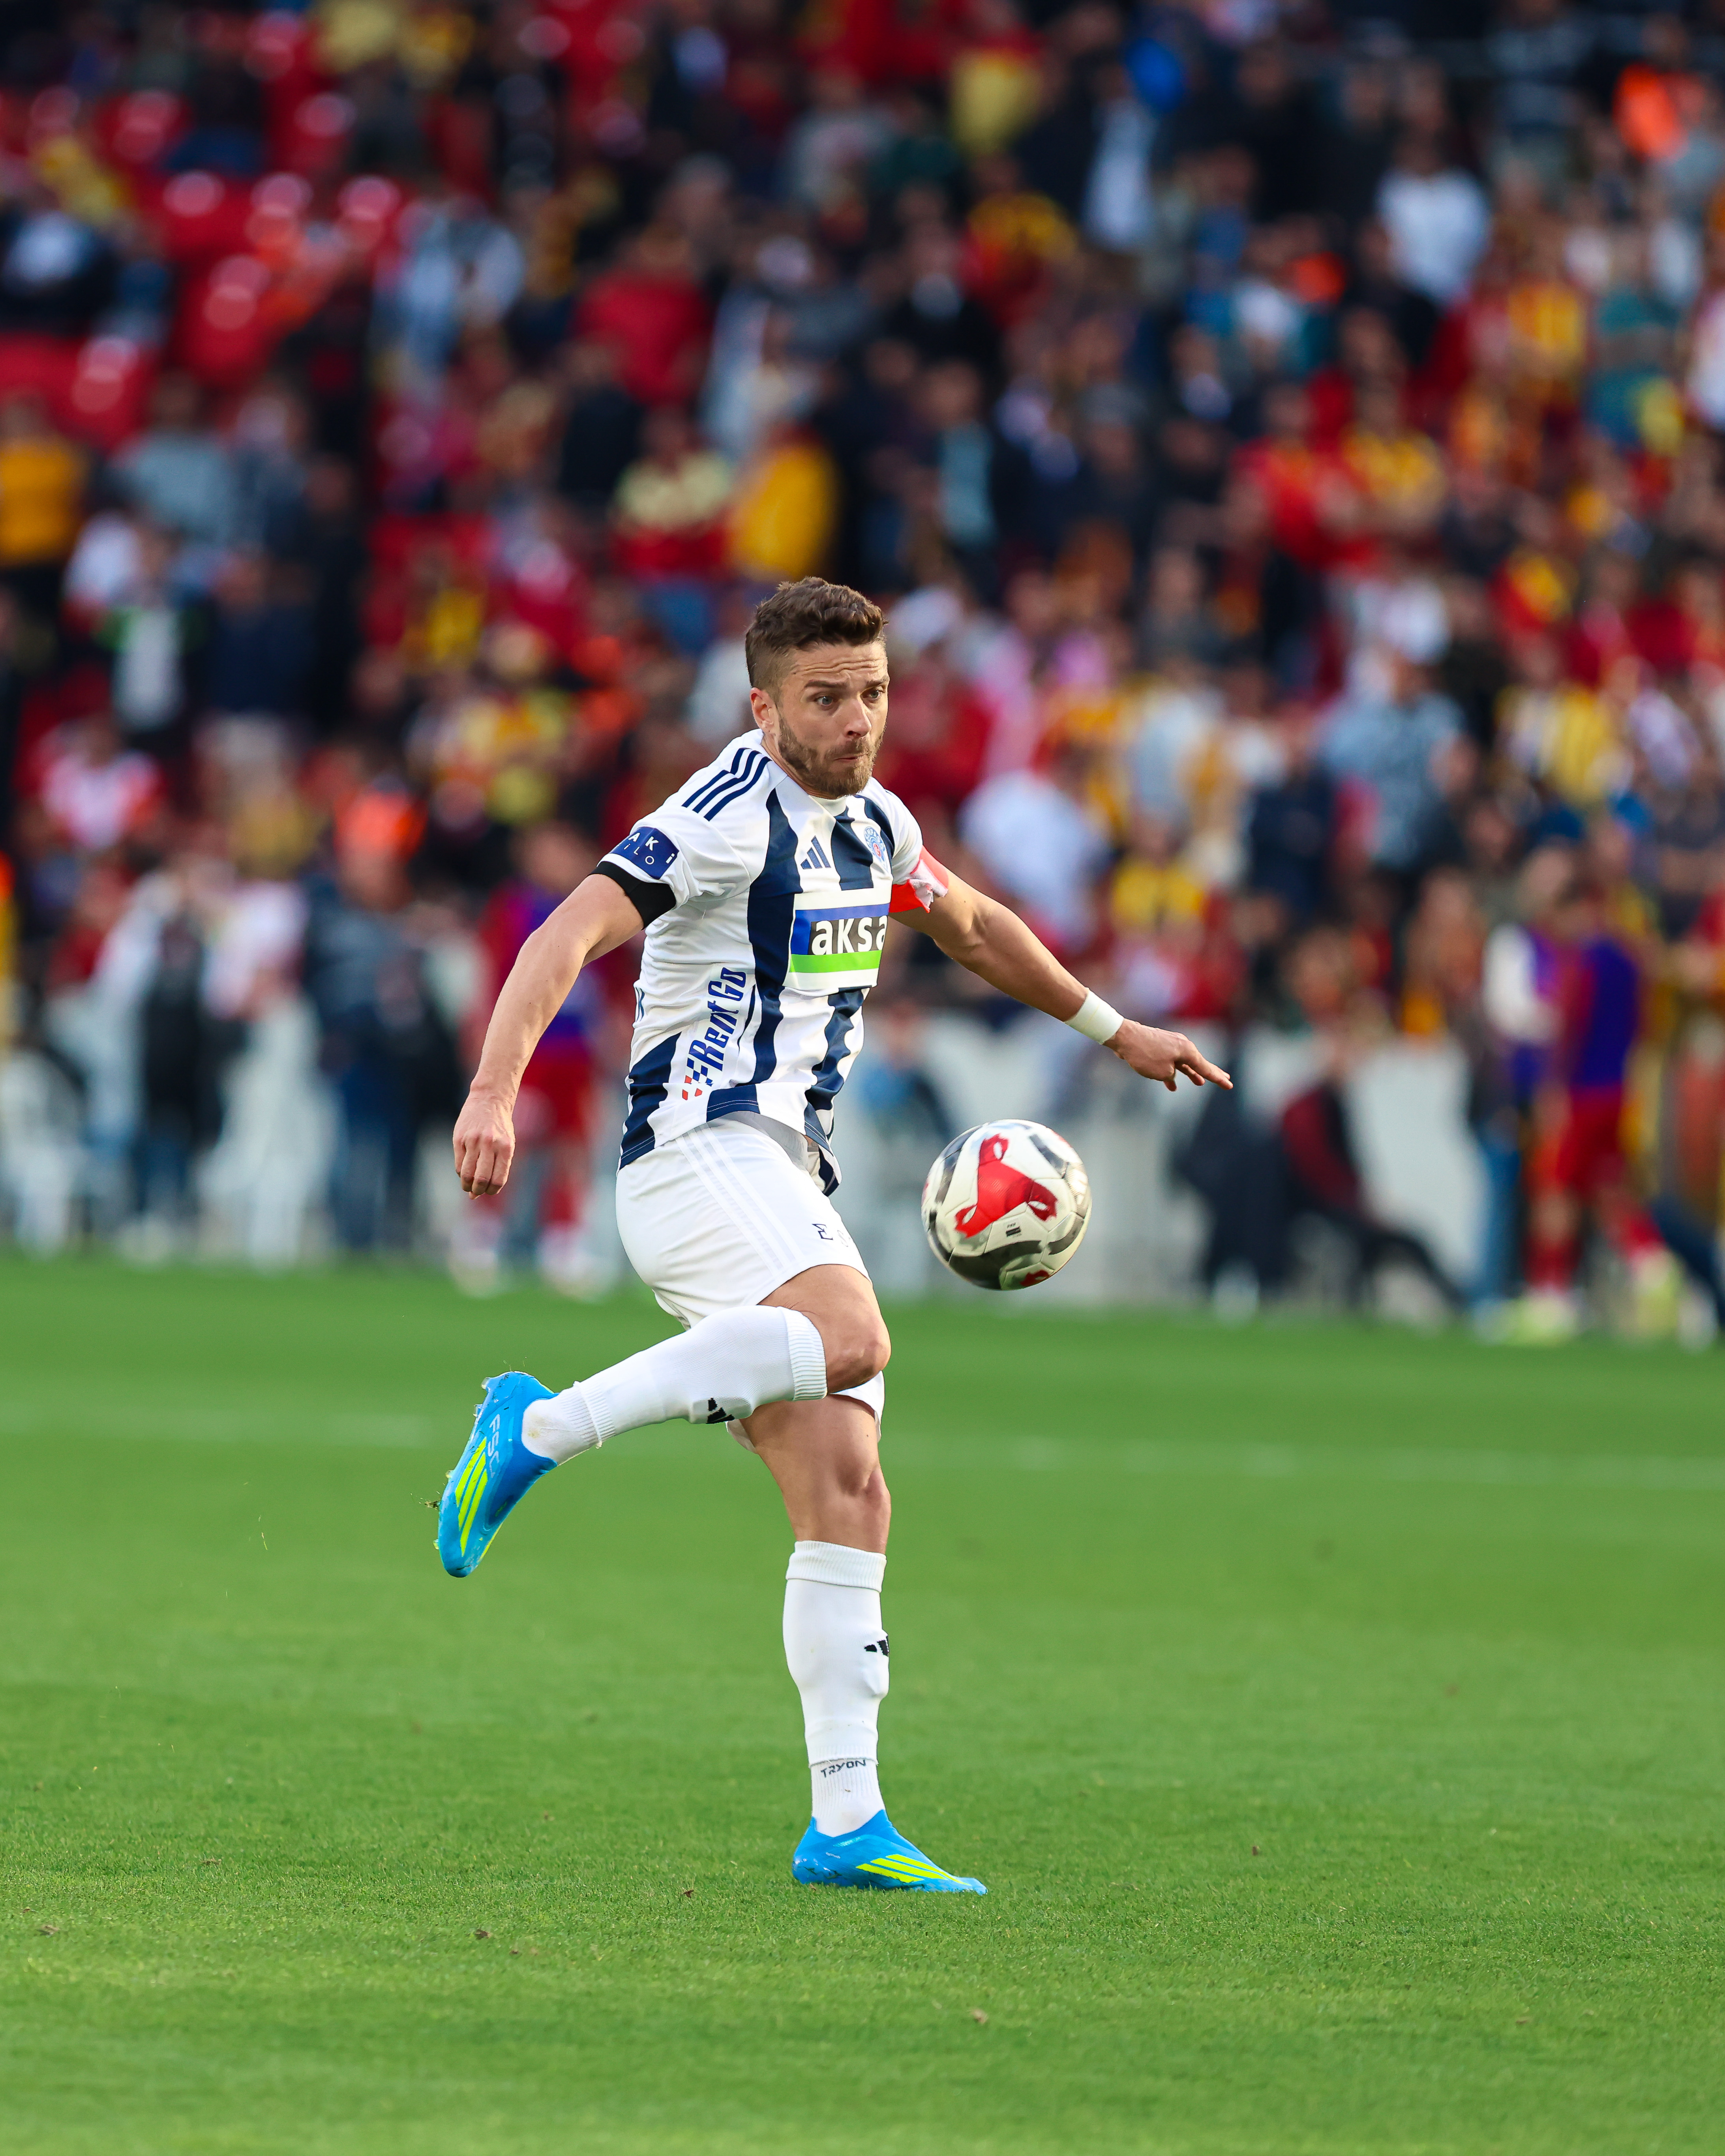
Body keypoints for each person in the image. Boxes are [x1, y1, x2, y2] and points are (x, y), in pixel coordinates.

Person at [438, 577, 1232, 1894]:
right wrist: (492, 1090)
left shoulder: (876, 822)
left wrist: (1115, 1030)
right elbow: (565, 934)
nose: (856, 719)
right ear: (763, 708)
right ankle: (537, 1428)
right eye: (824, 698)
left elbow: (969, 926)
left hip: (780, 1172)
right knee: (851, 1334)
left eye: (870, 693)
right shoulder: (718, 817)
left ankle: (846, 1822)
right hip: (693, 1150)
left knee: (848, 1488)